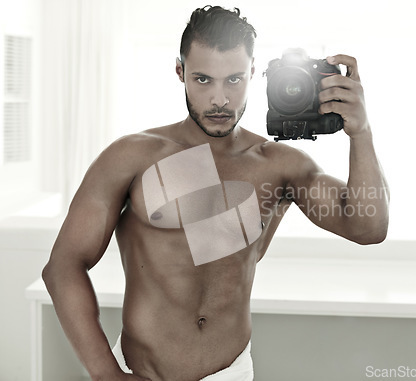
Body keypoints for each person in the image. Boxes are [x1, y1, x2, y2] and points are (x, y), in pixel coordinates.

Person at [42, 5, 389, 381]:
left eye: (234, 80)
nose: (220, 99)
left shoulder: (278, 164)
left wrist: (362, 134)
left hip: (230, 373)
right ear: (180, 72)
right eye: (203, 80)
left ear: (253, 73)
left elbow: (367, 228)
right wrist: (106, 375)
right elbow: (63, 267)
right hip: (141, 372)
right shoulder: (134, 155)